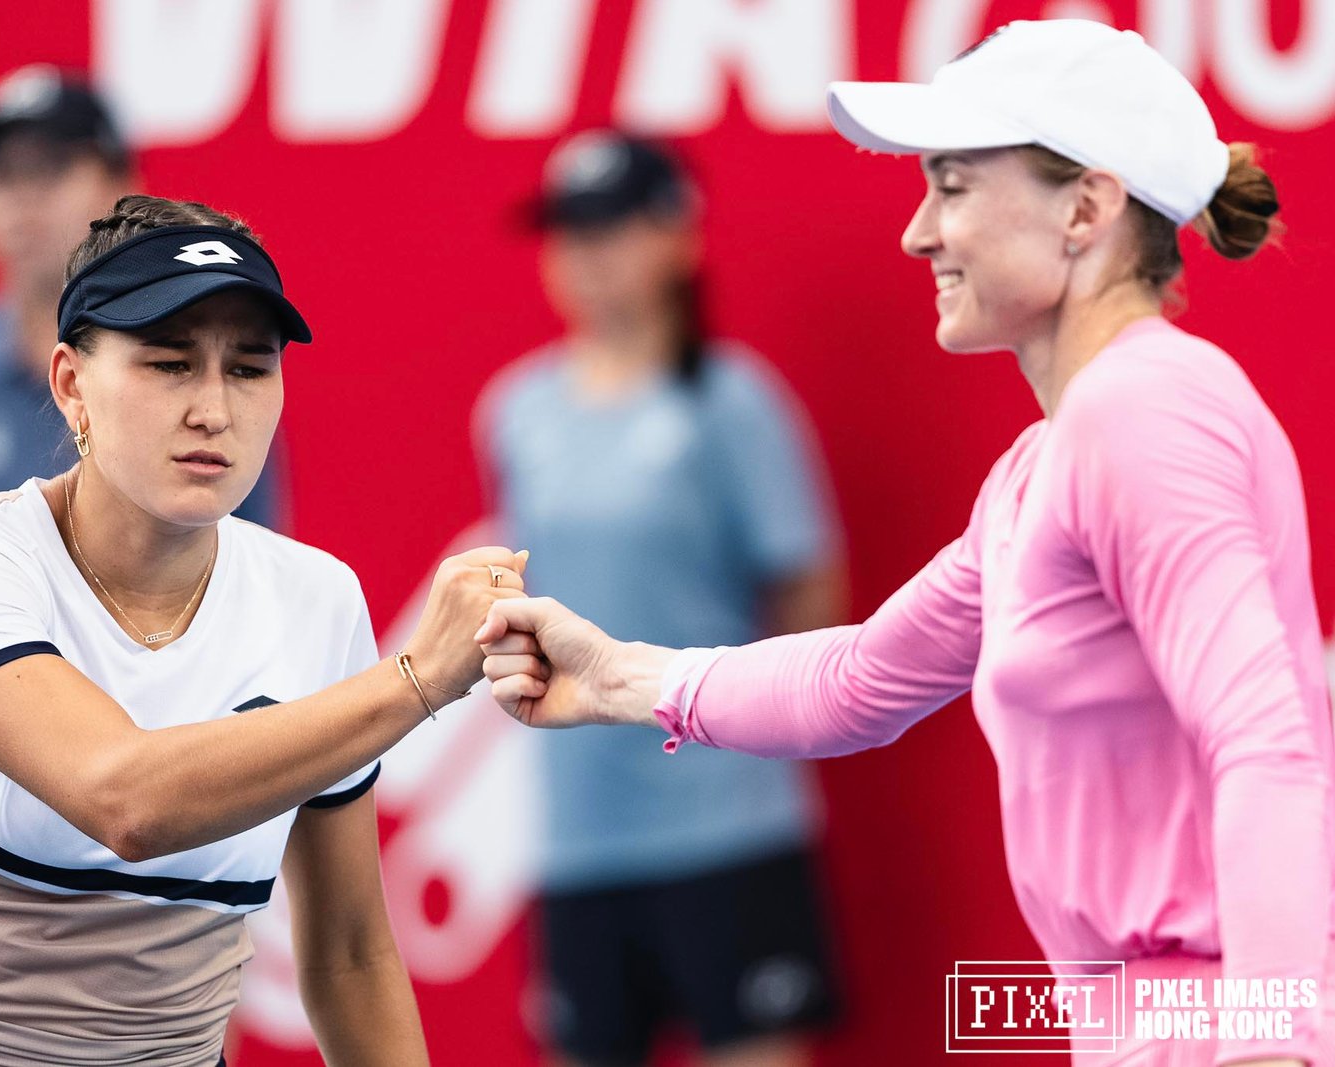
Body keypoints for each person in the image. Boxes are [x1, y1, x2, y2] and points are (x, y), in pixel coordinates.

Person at [478, 20, 1333, 1067]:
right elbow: (856, 680)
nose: (919, 234)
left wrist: (1268, 1043)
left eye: (953, 188)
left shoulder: (1140, 409)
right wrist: (614, 676)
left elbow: (1265, 740)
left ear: (1085, 209)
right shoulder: (1048, 460)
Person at [0, 194, 527, 1066]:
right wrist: (417, 679)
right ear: (71, 385)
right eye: (169, 363)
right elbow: (126, 803)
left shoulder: (319, 600)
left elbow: (349, 954)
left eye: (250, 368)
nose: (213, 409)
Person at [473, 130, 847, 1067]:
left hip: (726, 824)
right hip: (579, 832)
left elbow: (810, 600)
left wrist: (744, 721)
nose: (586, 255)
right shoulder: (517, 410)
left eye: (611, 228)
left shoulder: (733, 403)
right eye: (569, 232)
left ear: (678, 237)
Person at [0, 65, 285, 726]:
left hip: (164, 752)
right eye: (0, 175)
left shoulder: (208, 387)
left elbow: (246, 592)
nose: (22, 199)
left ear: (123, 186)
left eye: (51, 169)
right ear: (68, 383)